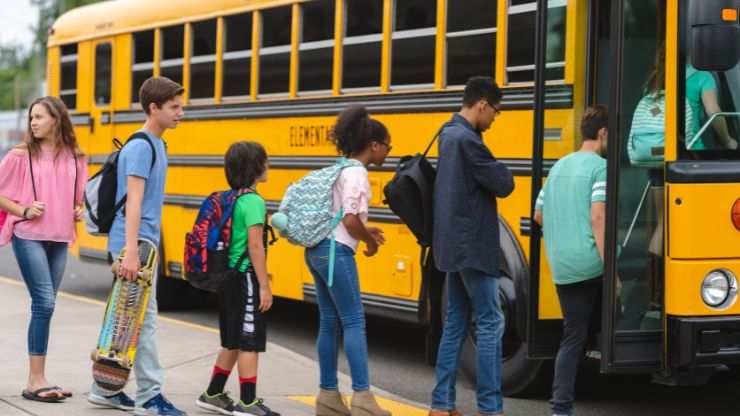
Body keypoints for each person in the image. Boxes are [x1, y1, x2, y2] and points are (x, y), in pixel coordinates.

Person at [88, 76, 187, 416]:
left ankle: (104, 390)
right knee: (143, 322)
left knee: (125, 320)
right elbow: (133, 202)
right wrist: (130, 251)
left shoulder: (159, 144)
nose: (181, 113)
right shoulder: (142, 147)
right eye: (174, 107)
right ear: (153, 108)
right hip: (135, 245)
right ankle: (149, 396)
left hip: (143, 242)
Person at [429, 76, 514, 416]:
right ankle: (490, 407)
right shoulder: (468, 141)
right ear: (482, 104)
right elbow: (503, 183)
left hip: (451, 246)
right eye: (495, 111)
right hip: (474, 248)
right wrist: (502, 169)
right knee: (491, 321)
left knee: (454, 324)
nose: (494, 118)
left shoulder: (447, 134)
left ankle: (441, 403)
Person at [304, 105, 392, 416]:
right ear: (373, 145)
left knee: (329, 322)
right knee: (354, 321)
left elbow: (343, 216)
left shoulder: (340, 167)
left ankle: (328, 395)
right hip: (336, 253)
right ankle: (363, 398)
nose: (387, 153)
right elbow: (352, 221)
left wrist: (367, 230)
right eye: (387, 147)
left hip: (317, 250)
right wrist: (369, 241)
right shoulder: (357, 173)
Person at [0, 96, 87, 403]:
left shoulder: (76, 156)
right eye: (31, 118)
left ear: (57, 119)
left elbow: (78, 198)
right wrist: (23, 211)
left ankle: (38, 378)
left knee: (45, 307)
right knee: (45, 302)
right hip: (28, 235)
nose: (33, 122)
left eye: (39, 117)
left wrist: (77, 210)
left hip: (60, 237)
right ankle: (35, 380)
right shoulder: (19, 155)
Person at [533, 106, 609, 416]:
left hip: (562, 263)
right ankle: (560, 407)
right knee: (628, 303)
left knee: (574, 333)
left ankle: (561, 407)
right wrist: (611, 268)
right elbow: (598, 216)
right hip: (589, 263)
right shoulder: (599, 167)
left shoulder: (559, 167)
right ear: (602, 133)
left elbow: (539, 215)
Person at [195, 141, 279, 416]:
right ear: (255, 167)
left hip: (227, 278)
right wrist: (264, 285)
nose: (268, 166)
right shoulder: (253, 201)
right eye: (265, 161)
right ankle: (248, 402)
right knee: (248, 341)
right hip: (246, 280)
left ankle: (213, 393)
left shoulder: (230, 198)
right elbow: (255, 246)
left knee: (231, 340)